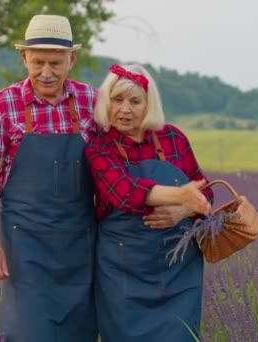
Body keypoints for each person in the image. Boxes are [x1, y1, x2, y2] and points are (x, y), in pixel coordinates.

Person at [0, 14, 99, 341]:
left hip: (79, 244)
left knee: (79, 332)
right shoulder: (2, 106)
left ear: (71, 59)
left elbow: (117, 166)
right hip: (24, 244)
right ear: (24, 57)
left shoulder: (93, 102)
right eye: (38, 62)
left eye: (56, 63)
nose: (47, 72)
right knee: (29, 331)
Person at [85, 64, 214, 342]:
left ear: (149, 104)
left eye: (135, 101)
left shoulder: (173, 138)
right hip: (123, 272)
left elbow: (206, 196)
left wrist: (183, 210)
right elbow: (125, 192)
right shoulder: (99, 147)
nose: (125, 109)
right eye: (117, 100)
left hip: (179, 269)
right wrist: (183, 196)